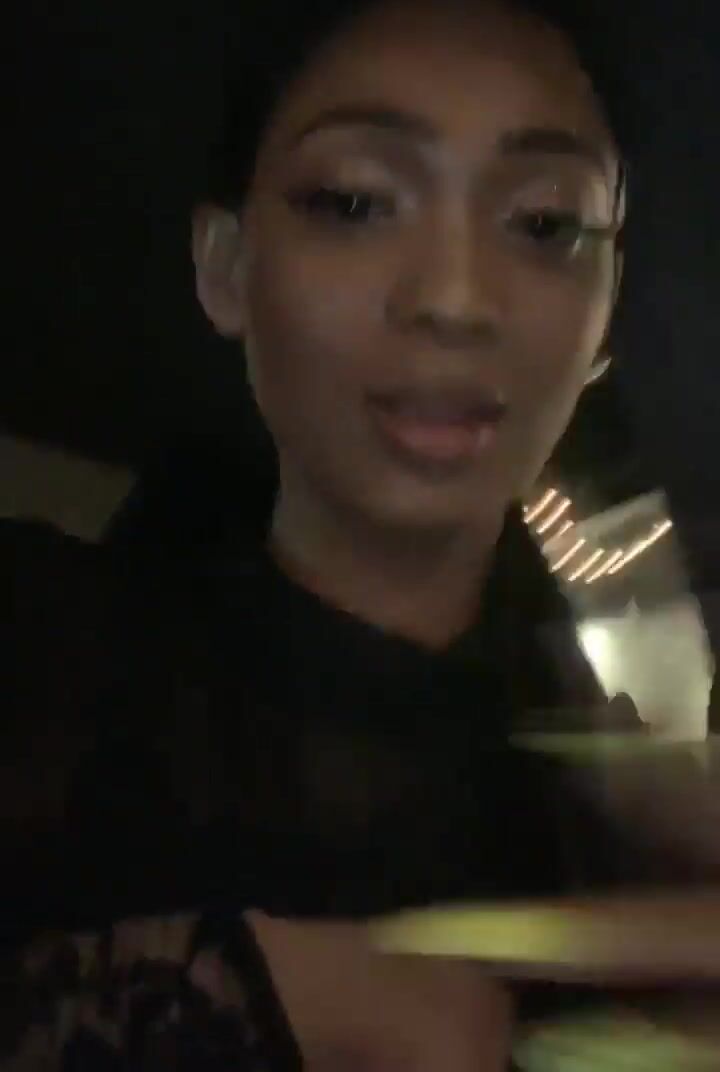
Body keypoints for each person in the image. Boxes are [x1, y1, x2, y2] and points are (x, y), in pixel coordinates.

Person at [4, 0, 713, 1067]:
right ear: (226, 267)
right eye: (353, 202)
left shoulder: (636, 798)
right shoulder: (36, 651)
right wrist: (239, 993)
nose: (456, 301)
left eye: (545, 225)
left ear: (607, 306)